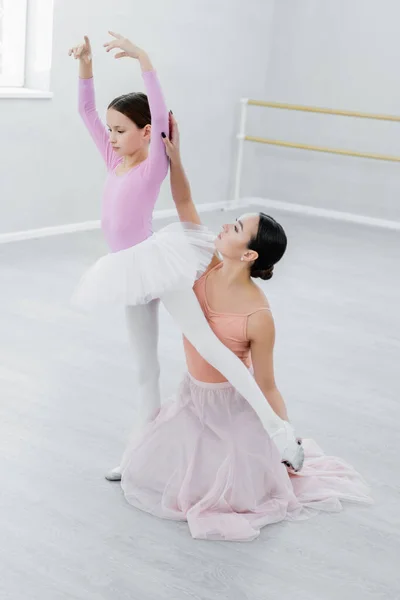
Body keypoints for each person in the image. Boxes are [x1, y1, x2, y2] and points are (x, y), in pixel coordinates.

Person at [118, 115, 372, 542]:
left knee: (225, 489)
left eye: (236, 228)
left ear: (251, 255)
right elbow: (185, 205)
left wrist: (283, 434)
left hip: (229, 409)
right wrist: (174, 161)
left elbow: (267, 384)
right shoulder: (206, 263)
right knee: (159, 469)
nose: (224, 225)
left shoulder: (258, 316)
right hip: (191, 400)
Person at [69, 33, 304, 476]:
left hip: (156, 264)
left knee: (209, 345)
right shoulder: (112, 158)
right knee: (145, 372)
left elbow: (159, 113)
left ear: (146, 133)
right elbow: (84, 111)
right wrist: (85, 66)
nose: (113, 137)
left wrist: (145, 60)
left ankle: (278, 433)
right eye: (111, 130)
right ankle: (135, 458)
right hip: (126, 273)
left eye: (122, 130)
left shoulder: (154, 161)